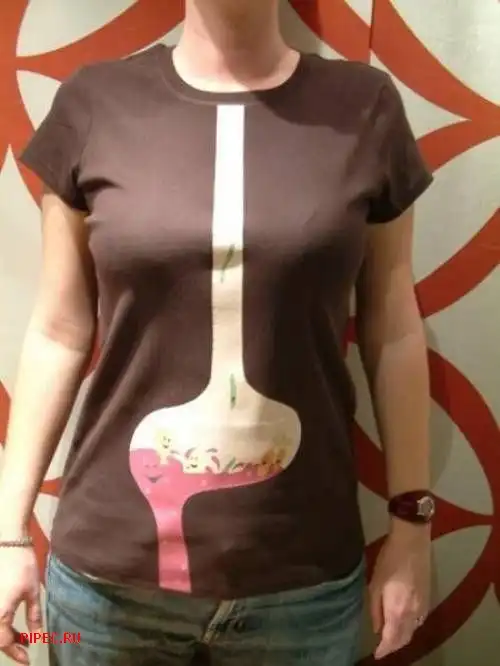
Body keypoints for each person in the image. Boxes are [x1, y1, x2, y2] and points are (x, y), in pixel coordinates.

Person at [0, 0, 435, 664]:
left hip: (304, 586)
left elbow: (393, 328)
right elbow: (59, 329)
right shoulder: (94, 103)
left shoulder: (365, 108)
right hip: (106, 589)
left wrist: (411, 527)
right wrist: (8, 535)